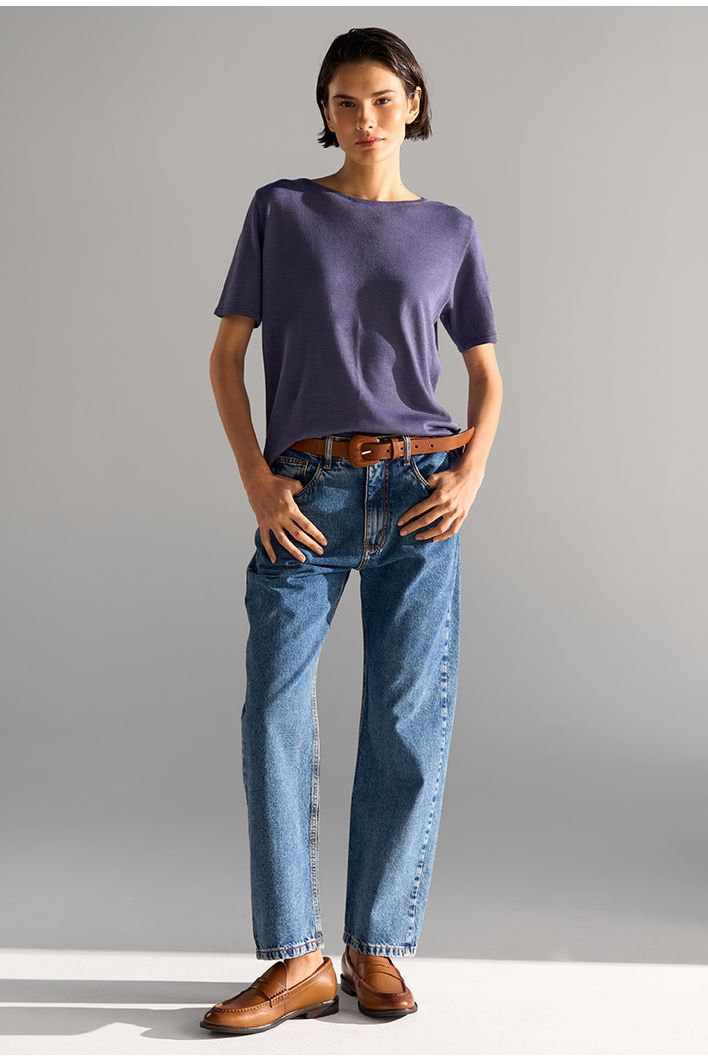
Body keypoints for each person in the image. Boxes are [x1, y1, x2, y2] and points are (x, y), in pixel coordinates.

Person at [201, 26, 503, 1036]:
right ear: (324, 112)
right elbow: (226, 356)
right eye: (344, 102)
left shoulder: (450, 230)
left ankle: (379, 946)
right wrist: (257, 478)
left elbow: (488, 374)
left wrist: (471, 472)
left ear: (413, 103)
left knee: (407, 719)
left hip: (419, 491)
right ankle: (298, 957)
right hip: (306, 491)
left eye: (381, 99)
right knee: (273, 712)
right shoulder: (282, 211)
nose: (364, 118)